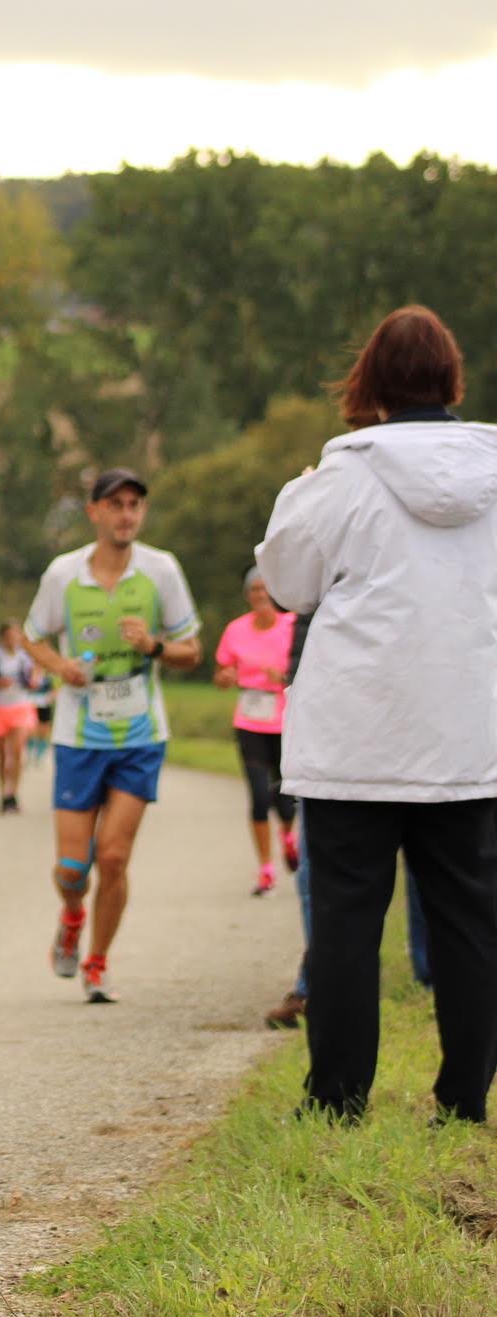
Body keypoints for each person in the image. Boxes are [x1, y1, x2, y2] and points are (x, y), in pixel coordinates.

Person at [257, 304, 497, 1124]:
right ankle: (464, 1100)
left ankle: (338, 1100)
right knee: (470, 921)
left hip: (356, 737)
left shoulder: (338, 480)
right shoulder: (491, 474)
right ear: (452, 379)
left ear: (369, 382)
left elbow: (288, 588)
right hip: (466, 734)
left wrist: (299, 498)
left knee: (348, 922)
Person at [24, 467, 202, 1004]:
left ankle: (97, 963)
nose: (127, 515)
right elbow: (33, 638)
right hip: (79, 736)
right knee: (71, 869)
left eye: (134, 505)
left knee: (115, 858)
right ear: (94, 512)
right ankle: (72, 915)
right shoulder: (63, 574)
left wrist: (153, 647)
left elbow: (191, 651)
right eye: (116, 505)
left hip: (140, 736)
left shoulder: (161, 570)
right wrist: (61, 667)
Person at [213, 567, 298, 897]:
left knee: (285, 799)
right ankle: (265, 869)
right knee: (259, 797)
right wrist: (225, 678)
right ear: (248, 595)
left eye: (265, 588)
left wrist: (285, 676)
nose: (260, 595)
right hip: (249, 722)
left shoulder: (291, 625)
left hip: (284, 722)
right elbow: (221, 674)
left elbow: (308, 669)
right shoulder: (236, 630)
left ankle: (288, 838)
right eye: (255, 589)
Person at [0, 622, 38, 814]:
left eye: (16, 636)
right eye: (10, 636)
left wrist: (34, 681)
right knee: (3, 756)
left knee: (18, 752)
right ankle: (3, 794)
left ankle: (14, 792)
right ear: (3, 638)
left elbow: (36, 673)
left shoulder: (25, 655)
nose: (13, 640)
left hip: (20, 707)